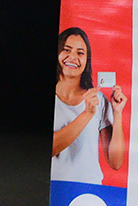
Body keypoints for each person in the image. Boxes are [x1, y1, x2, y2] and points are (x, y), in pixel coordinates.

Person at [52, 27, 126, 183]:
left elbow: (116, 162)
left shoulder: (97, 100)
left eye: (80, 53)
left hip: (89, 191)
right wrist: (87, 114)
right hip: (54, 189)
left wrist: (117, 112)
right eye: (66, 50)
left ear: (87, 61)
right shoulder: (90, 106)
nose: (72, 57)